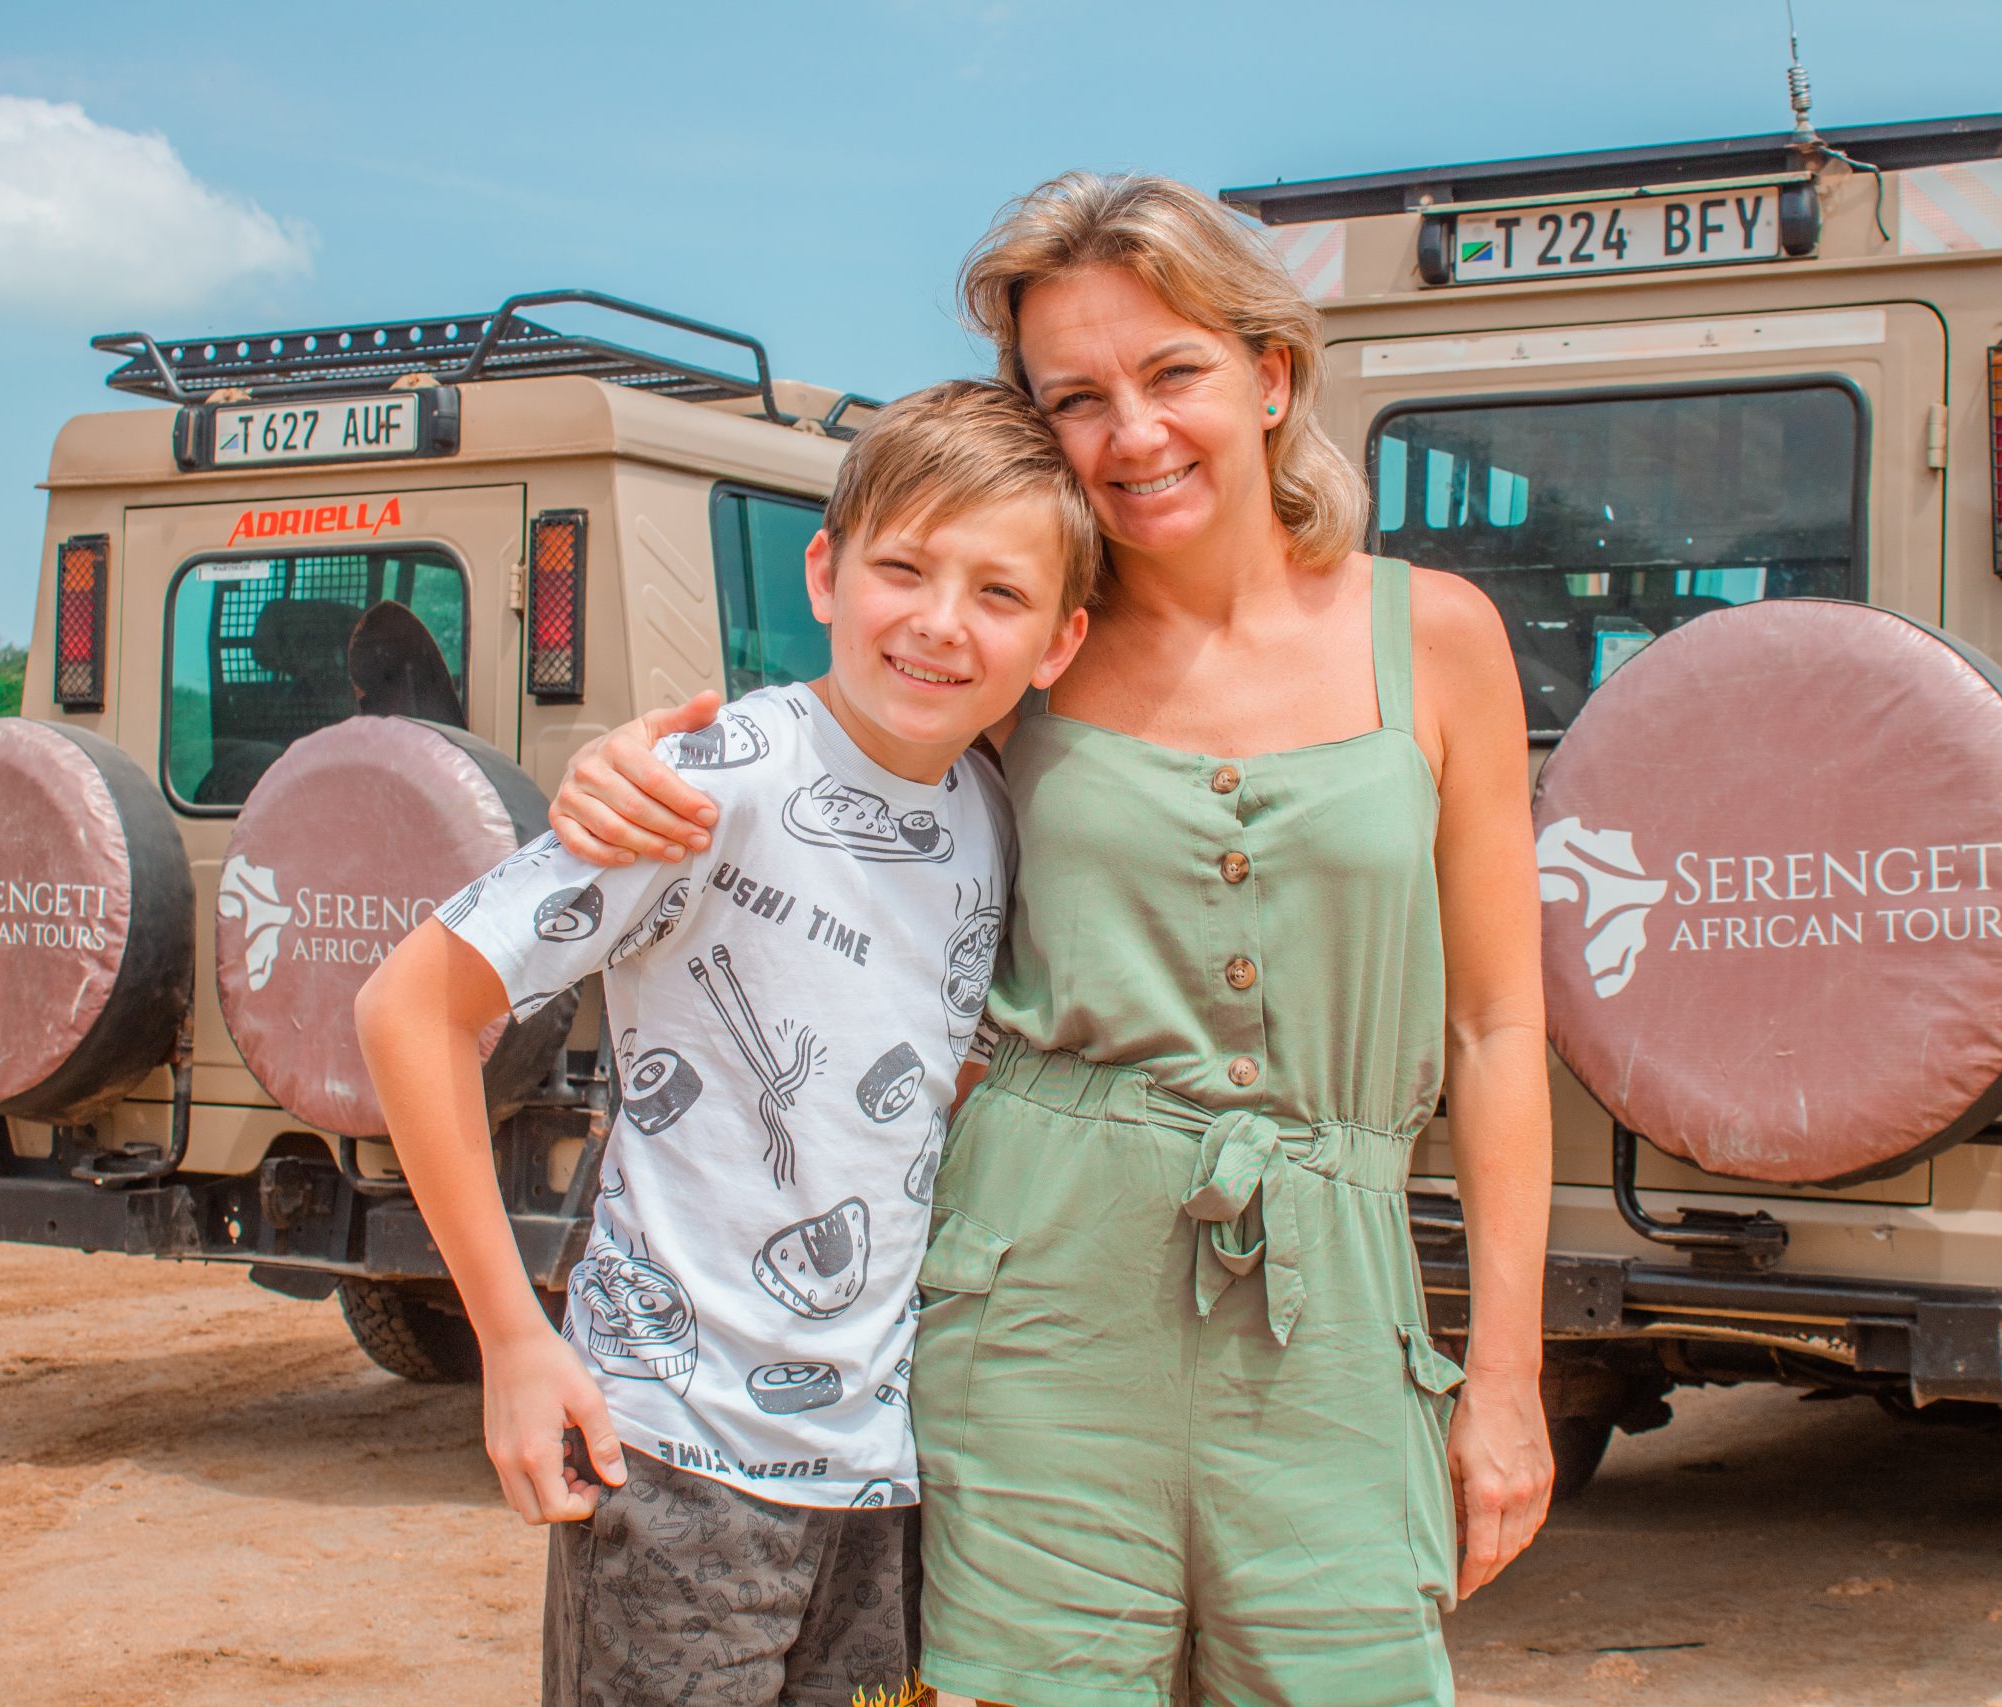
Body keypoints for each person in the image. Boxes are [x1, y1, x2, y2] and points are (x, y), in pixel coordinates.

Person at [547, 172, 1554, 1707]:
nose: (1132, 435)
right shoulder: (1025, 646)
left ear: (1271, 376)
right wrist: (617, 768)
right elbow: (810, 762)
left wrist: (1511, 1374)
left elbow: (1493, 1028)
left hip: (1337, 1313)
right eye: (1075, 398)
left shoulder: (1438, 639)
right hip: (1034, 1313)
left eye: (1173, 373)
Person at [353, 378, 1096, 1707]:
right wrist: (513, 1342)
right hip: (672, 1459)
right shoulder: (713, 779)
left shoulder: (991, 816)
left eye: (999, 592)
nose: (941, 621)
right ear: (825, 572)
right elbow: (410, 1009)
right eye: (905, 568)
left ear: (1059, 640)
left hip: (881, 1472)